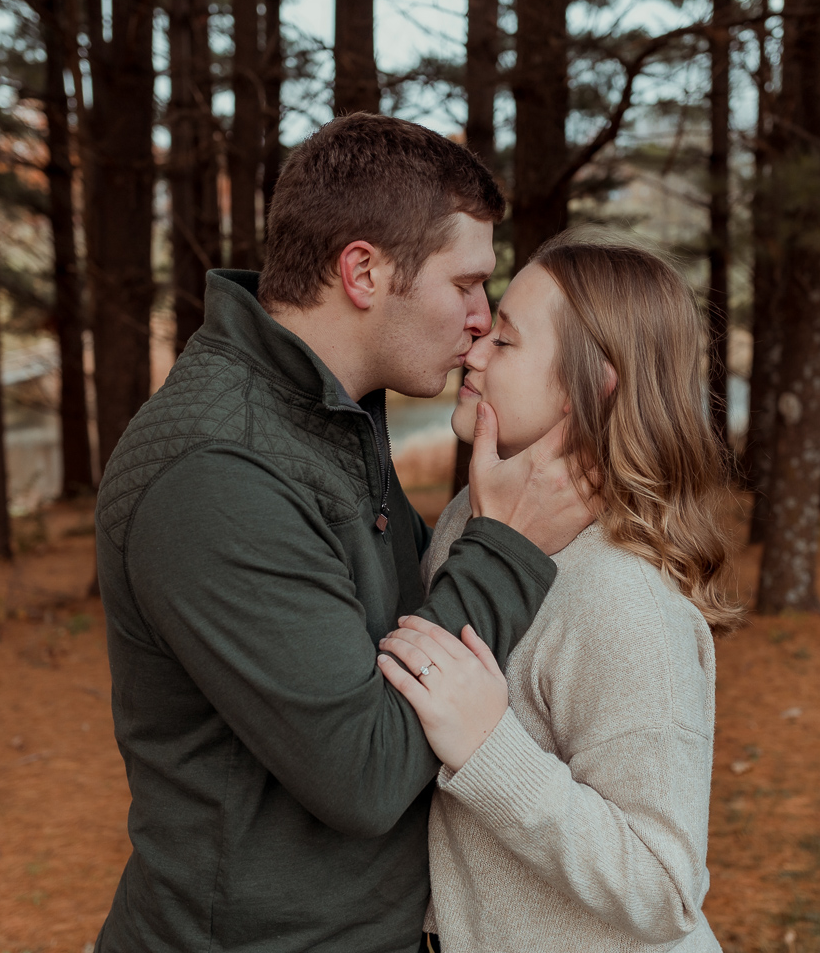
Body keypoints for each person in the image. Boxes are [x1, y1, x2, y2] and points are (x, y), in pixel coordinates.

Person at [90, 113, 595, 953]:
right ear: (362, 270)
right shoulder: (217, 472)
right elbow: (362, 771)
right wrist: (504, 549)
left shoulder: (325, 418)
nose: (482, 317)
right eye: (466, 284)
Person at [378, 232, 742, 953]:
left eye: (506, 343)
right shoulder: (466, 520)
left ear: (595, 382)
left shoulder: (621, 596)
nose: (473, 351)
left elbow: (665, 888)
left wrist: (487, 748)